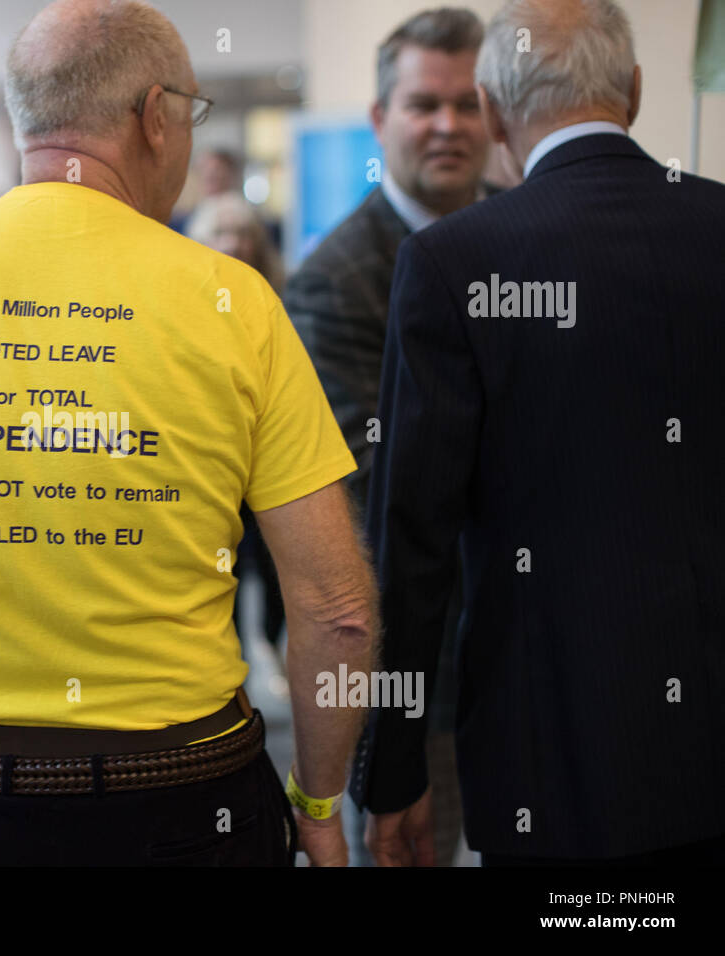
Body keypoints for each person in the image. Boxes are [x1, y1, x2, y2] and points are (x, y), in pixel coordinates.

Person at [0, 0, 378, 867]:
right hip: (188, 796)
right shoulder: (233, 300)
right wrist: (317, 803)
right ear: (154, 117)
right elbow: (338, 612)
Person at [355, 0, 725, 866]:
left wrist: (393, 771)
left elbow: (412, 548)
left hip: (555, 765)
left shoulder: (454, 261)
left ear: (490, 112)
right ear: (632, 91)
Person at [285, 5, 491, 867]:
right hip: (420, 688)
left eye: (468, 102)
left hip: (541, 672)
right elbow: (377, 505)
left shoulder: (528, 238)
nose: (448, 124)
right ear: (380, 119)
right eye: (423, 104)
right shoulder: (337, 280)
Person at [189, 191, 288, 695]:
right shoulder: (181, 307)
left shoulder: (275, 301)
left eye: (242, 233)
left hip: (269, 461)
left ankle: (268, 645)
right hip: (211, 465)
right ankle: (231, 666)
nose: (233, 244)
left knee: (272, 567)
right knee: (216, 565)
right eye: (220, 233)